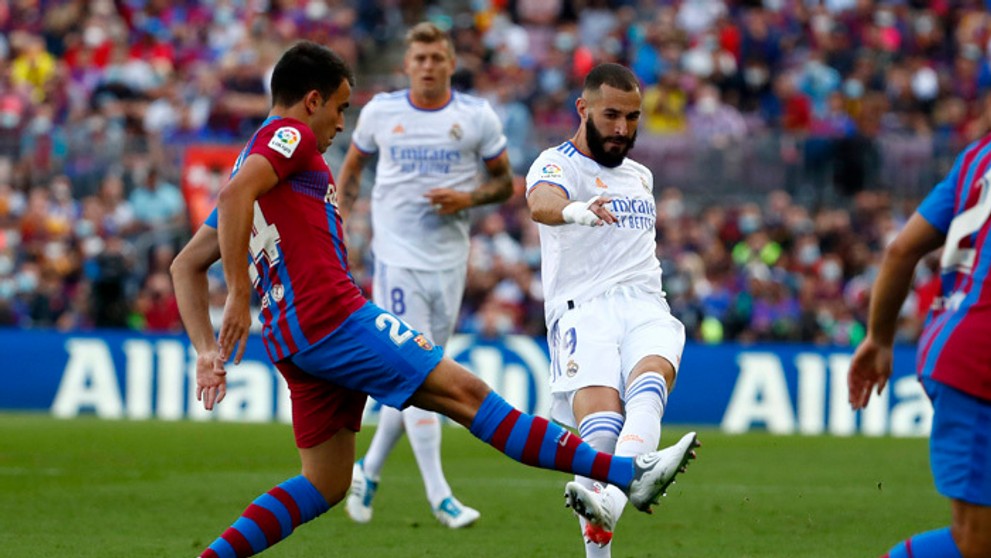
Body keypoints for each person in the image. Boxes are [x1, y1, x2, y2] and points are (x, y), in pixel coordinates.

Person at [170, 41, 699, 558]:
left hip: (295, 340)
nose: (339, 124)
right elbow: (231, 195)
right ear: (313, 100)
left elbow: (186, 264)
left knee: (326, 482)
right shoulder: (288, 136)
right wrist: (239, 296)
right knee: (468, 395)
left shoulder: (254, 158)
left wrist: (204, 351)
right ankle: (629, 473)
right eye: (340, 108)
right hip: (332, 316)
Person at [335, 21, 514, 529]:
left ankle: (367, 471)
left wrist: (468, 198)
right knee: (416, 370)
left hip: (449, 261)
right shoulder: (381, 113)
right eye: (421, 59)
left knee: (417, 373)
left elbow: (504, 185)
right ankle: (441, 497)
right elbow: (350, 173)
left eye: (438, 58)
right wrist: (341, 229)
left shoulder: (475, 118)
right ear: (407, 65)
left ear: (452, 63)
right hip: (397, 259)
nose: (429, 66)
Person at [525, 63, 693, 556]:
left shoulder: (641, 176)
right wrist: (574, 211)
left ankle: (614, 504)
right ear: (583, 109)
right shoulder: (559, 163)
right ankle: (605, 532)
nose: (622, 128)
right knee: (601, 431)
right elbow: (541, 202)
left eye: (633, 117)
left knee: (651, 382)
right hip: (583, 310)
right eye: (611, 115)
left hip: (645, 304)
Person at [848, 138, 991, 558]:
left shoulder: (977, 157)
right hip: (978, 359)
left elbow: (901, 249)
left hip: (952, 342)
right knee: (976, 542)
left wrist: (879, 337)